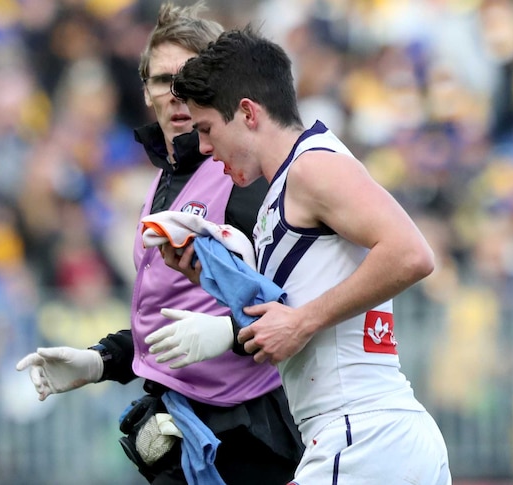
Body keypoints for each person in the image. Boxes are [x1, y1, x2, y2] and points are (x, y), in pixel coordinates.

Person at [16, 5, 303, 485]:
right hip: (185, 422)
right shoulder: (162, 181)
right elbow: (170, 321)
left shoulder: (244, 175)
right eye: (160, 79)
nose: (174, 94)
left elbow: (297, 306)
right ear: (144, 90)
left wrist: (228, 333)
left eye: (187, 78)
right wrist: (98, 362)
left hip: (249, 428)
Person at [152, 26, 452, 484]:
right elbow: (298, 306)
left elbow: (412, 254)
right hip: (371, 437)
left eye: (208, 129)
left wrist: (302, 320)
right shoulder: (289, 185)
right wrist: (209, 274)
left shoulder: (312, 167)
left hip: (360, 437)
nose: (206, 149)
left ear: (248, 113)